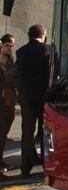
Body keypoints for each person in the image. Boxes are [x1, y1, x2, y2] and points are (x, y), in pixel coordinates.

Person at [15, 25, 50, 178]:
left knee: (27, 132)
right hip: (43, 97)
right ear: (42, 34)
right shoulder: (48, 50)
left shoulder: (20, 52)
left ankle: (25, 168)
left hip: (26, 97)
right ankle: (45, 164)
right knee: (44, 132)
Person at [0, 34, 16, 174]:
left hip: (9, 102)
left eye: (12, 45)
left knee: (3, 133)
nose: (10, 47)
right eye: (7, 45)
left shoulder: (12, 63)